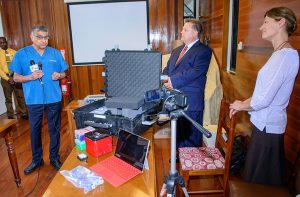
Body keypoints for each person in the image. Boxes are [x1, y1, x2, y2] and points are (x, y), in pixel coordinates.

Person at [229, 7, 298, 185]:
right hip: (266, 125)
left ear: (281, 22)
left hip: (268, 126)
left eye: (266, 21)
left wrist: (239, 105)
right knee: (261, 178)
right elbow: (263, 94)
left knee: (260, 181)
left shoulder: (285, 56)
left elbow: (263, 100)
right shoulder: (281, 54)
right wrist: (242, 102)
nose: (261, 27)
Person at [9, 25, 68, 174]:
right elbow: (15, 77)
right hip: (33, 100)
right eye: (40, 37)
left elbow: (64, 73)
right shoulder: (22, 54)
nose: (43, 40)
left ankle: (54, 157)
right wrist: (30, 77)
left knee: (54, 130)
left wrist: (58, 75)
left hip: (53, 98)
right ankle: (37, 160)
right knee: (35, 130)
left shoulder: (54, 53)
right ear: (32, 38)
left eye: (46, 37)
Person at [163, 19, 212, 148]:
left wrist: (172, 81)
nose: (181, 32)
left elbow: (195, 71)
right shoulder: (177, 50)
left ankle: (189, 167)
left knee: (191, 139)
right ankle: (177, 159)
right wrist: (165, 79)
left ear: (195, 33)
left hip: (191, 101)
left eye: (185, 30)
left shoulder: (204, 51)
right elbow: (167, 69)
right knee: (177, 134)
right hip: (175, 100)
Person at [0, 37, 28, 119]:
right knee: (8, 98)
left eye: (3, 42)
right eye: (0, 43)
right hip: (5, 78)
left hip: (16, 76)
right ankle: (10, 116)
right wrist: (8, 78)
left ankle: (24, 113)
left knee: (20, 96)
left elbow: (19, 64)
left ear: (6, 42)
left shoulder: (14, 52)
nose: (2, 44)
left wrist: (15, 76)